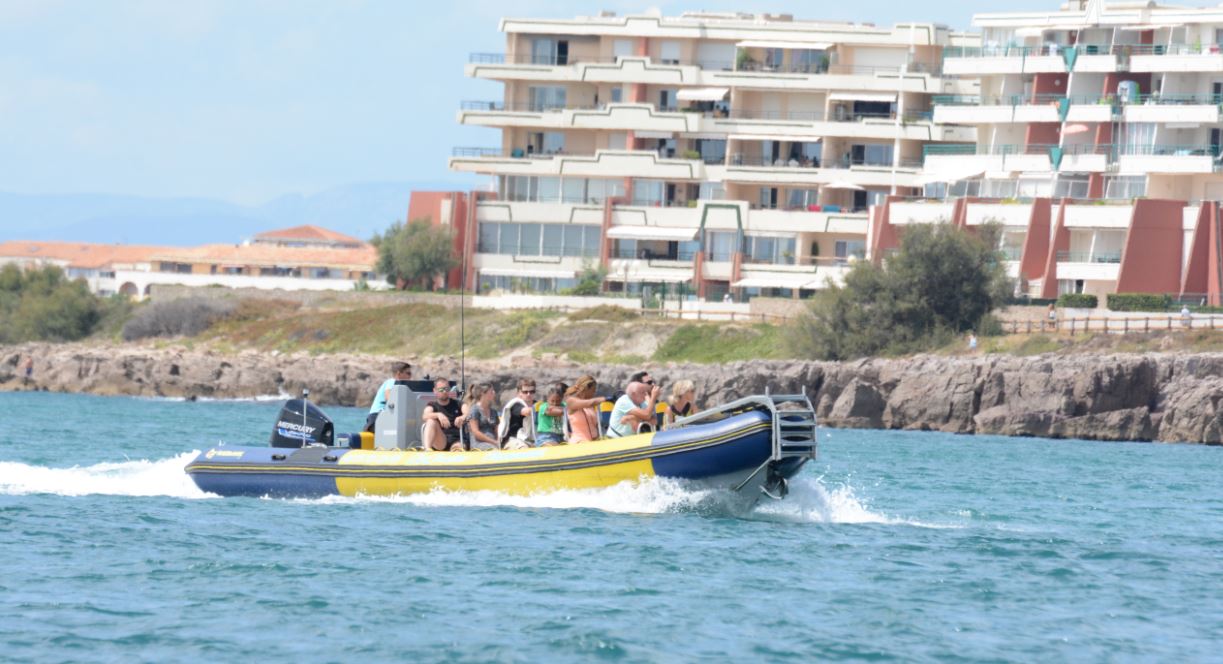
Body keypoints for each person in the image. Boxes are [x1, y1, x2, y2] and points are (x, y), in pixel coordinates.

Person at [365, 361, 411, 432]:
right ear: (399, 374)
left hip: (385, 417)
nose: (410, 376)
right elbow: (388, 397)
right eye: (408, 373)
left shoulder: (402, 387)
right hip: (377, 417)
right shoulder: (392, 381)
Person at [422, 378, 465, 451]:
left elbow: (468, 413)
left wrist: (462, 417)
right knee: (430, 421)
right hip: (441, 440)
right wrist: (438, 415)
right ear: (435, 391)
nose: (444, 391)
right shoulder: (432, 405)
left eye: (447, 389)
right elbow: (425, 416)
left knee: (457, 449)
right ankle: (427, 450)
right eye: (441, 390)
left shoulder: (458, 404)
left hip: (457, 439)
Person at [564, 375, 606, 443]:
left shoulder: (590, 404)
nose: (594, 393)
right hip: (579, 442)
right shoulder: (571, 401)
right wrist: (605, 399)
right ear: (586, 389)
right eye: (593, 390)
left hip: (594, 441)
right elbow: (589, 403)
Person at [501, 378, 537, 447]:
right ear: (519, 393)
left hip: (531, 439)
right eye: (525, 392)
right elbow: (526, 412)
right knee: (524, 448)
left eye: (532, 391)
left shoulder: (537, 404)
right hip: (513, 440)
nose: (529, 394)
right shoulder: (515, 404)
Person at [466, 384, 501, 451]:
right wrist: (494, 442)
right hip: (479, 444)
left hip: (494, 443)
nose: (494, 393)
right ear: (483, 394)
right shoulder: (474, 410)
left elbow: (497, 431)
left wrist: (499, 441)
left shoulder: (493, 412)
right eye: (491, 391)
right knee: (494, 450)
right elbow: (476, 433)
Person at [535, 382, 567, 446]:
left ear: (561, 399)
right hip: (546, 437)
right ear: (547, 399)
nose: (555, 403)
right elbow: (556, 412)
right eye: (552, 401)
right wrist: (566, 409)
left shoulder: (563, 405)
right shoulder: (543, 407)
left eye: (558, 401)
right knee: (557, 448)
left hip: (561, 437)